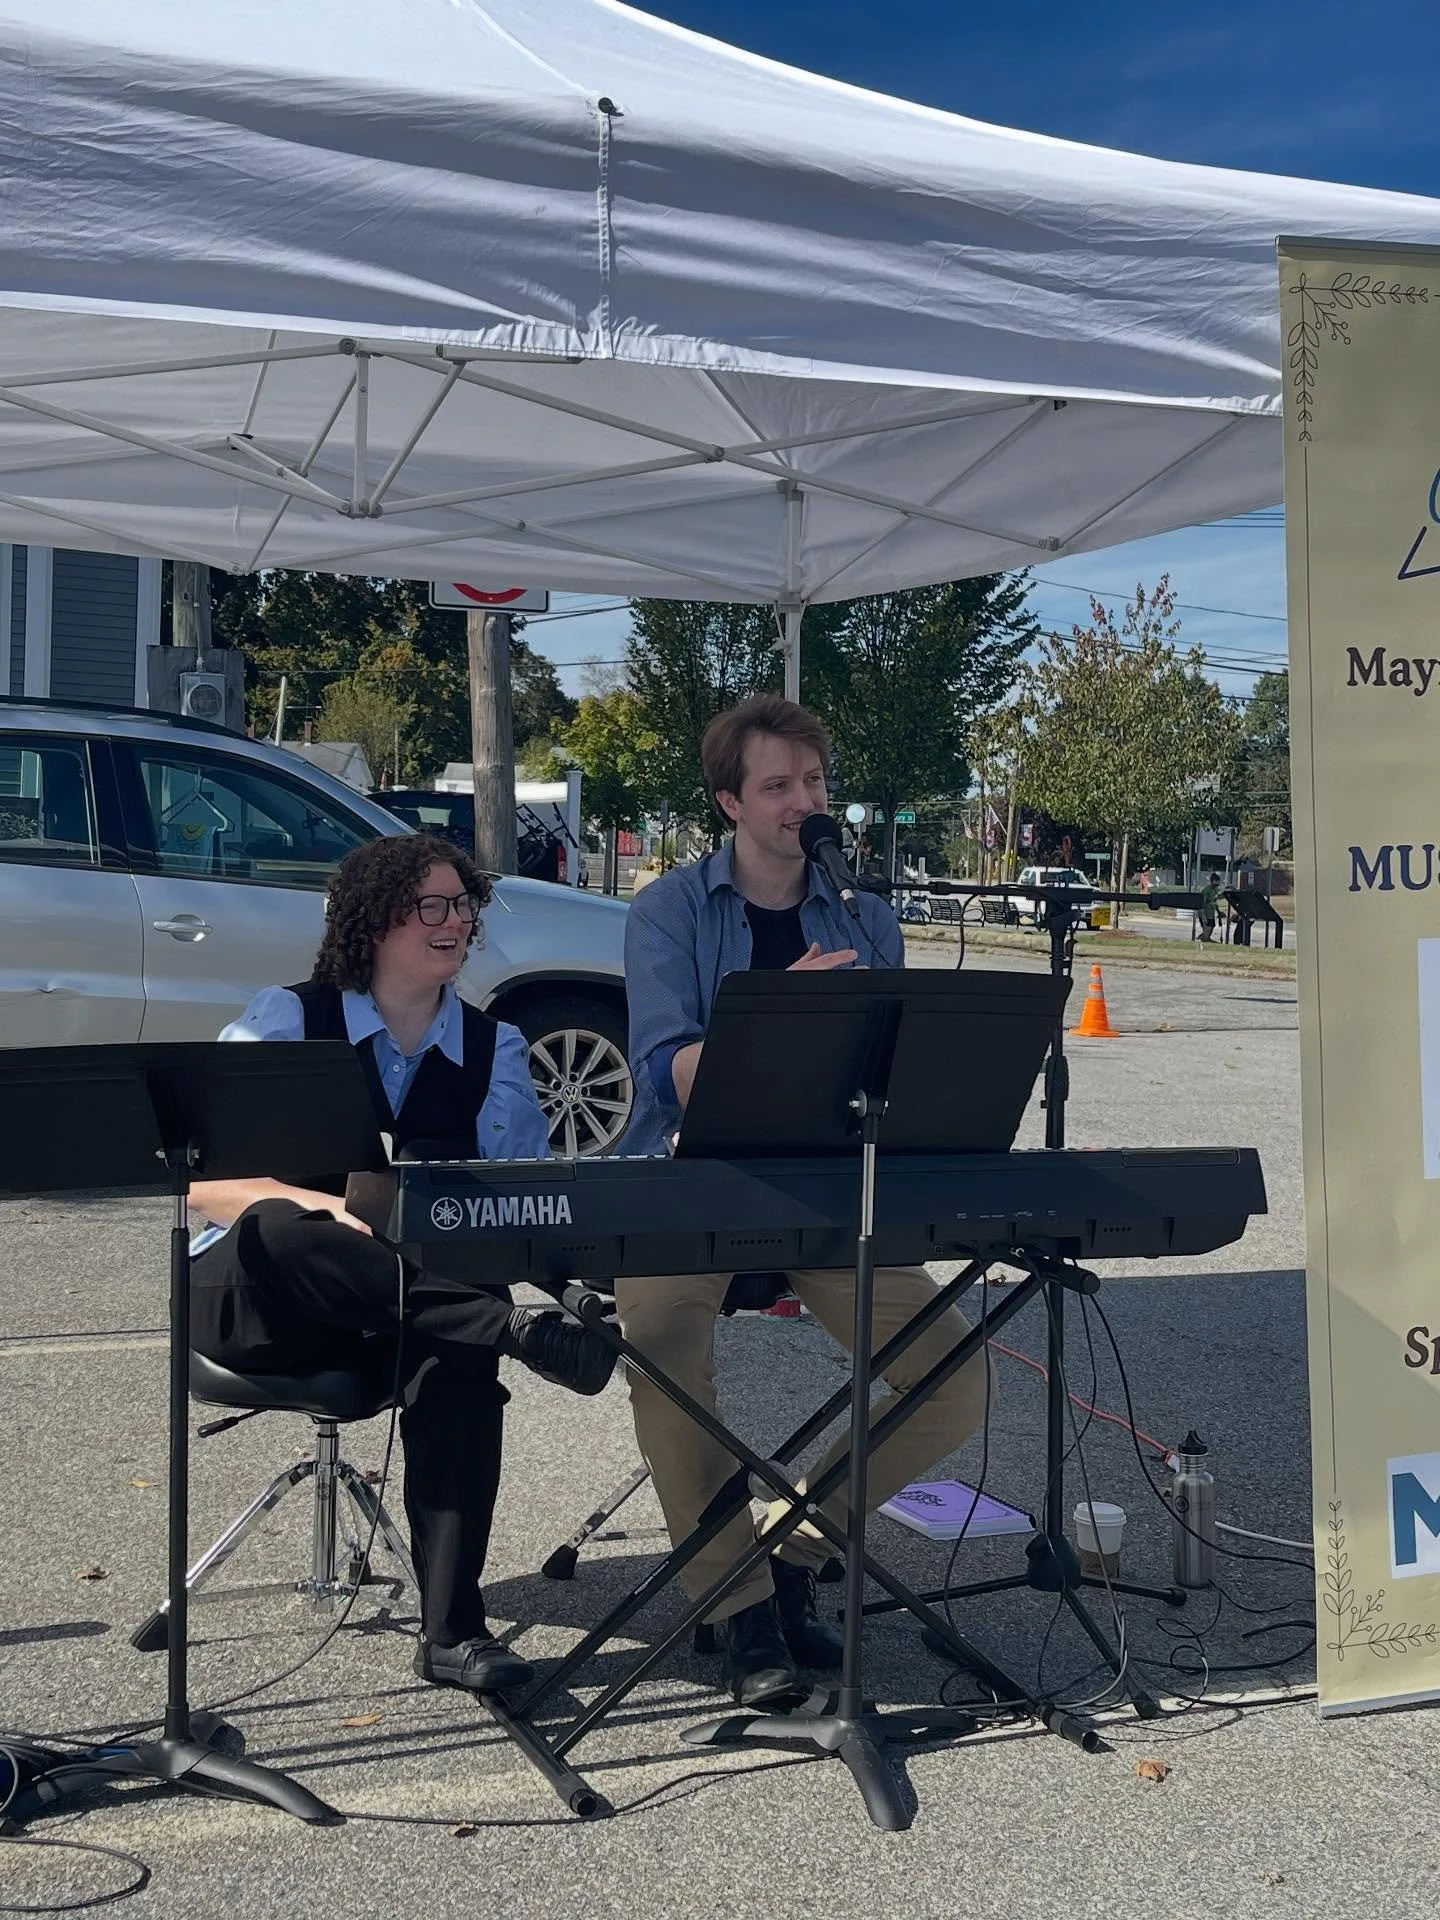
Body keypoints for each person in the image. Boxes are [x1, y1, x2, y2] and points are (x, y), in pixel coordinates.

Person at [617, 695, 993, 1709]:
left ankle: (794, 1551)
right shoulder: (668, 910)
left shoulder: (864, 916)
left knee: (956, 1379)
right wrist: (779, 1017)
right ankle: (736, 1609)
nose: (803, 801)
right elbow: (664, 1072)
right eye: (778, 785)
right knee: (660, 1350)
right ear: (730, 802)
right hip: (688, 1181)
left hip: (825, 1185)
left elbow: (892, 1074)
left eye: (815, 781)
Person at [188, 834, 616, 1695]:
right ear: (375, 921)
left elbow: (516, 1205)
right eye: (434, 906)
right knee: (283, 1224)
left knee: (460, 1357)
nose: (456, 922)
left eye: (464, 905)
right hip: (263, 1299)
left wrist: (586, 1279)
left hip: (408, 1309)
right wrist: (330, 1210)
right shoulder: (288, 1019)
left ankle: (454, 1634)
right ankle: (510, 1330)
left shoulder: (494, 1049)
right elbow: (206, 1183)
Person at [1199, 876, 1221, 942]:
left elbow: (1214, 901)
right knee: (1207, 930)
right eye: (1216, 881)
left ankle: (1205, 938)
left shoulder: (1215, 890)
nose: (1217, 882)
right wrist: (1203, 916)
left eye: (1218, 881)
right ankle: (1204, 938)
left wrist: (1219, 912)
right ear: (1212, 881)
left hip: (1211, 914)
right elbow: (1202, 903)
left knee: (1212, 927)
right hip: (1205, 913)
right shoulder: (1207, 890)